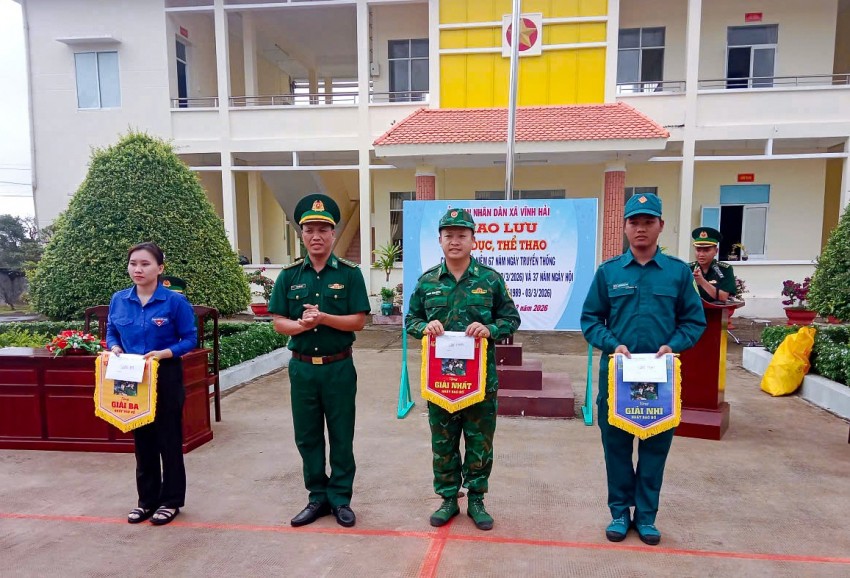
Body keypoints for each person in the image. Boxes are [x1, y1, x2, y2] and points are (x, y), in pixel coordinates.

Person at [581, 193, 705, 545]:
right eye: (634, 222)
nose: (641, 229)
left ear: (660, 227)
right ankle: (620, 513)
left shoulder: (678, 274)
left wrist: (673, 346)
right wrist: (612, 343)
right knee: (617, 448)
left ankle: (647, 517)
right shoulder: (609, 272)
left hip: (661, 379)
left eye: (648, 222)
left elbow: (694, 322)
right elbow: (590, 319)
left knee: (654, 449)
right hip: (618, 378)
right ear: (624, 227)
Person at [406, 207, 521, 531]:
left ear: (473, 240)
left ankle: (476, 500)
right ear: (440, 241)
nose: (455, 241)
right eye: (449, 236)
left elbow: (510, 319)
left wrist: (490, 330)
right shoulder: (428, 282)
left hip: (481, 382)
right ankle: (447, 498)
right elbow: (410, 320)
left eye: (462, 235)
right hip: (440, 382)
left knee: (479, 442)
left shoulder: (490, 280)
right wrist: (424, 327)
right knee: (443, 443)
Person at [269, 193, 370, 528]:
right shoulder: (288, 276)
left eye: (323, 229)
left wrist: (323, 318)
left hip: (339, 367)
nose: (316, 235)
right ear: (301, 233)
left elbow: (358, 320)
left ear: (333, 234)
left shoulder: (351, 274)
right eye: (309, 229)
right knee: (308, 435)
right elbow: (278, 321)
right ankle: (317, 498)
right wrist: (299, 326)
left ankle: (340, 498)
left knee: (342, 434)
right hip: (302, 369)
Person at [106, 242, 198, 526]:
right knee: (142, 440)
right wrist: (115, 347)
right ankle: (146, 501)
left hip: (165, 374)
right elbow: (111, 331)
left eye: (145, 264)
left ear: (160, 268)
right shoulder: (119, 299)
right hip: (132, 376)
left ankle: (170, 501)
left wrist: (165, 352)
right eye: (133, 263)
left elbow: (190, 338)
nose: (138, 269)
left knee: (168, 439)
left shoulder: (174, 302)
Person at [688, 227, 737, 302]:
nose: (701, 254)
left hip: (716, 312)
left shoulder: (725, 269)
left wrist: (701, 281)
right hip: (692, 311)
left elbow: (723, 297)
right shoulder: (688, 268)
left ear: (716, 251)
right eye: (698, 250)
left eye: (706, 250)